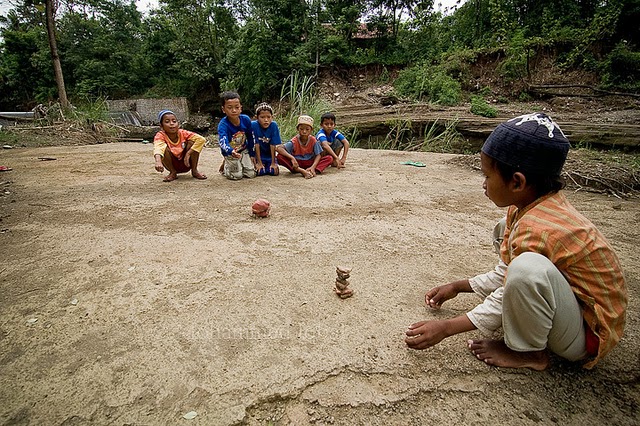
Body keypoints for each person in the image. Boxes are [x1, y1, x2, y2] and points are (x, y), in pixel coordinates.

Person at [405, 113, 627, 371]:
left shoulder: (537, 228)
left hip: (587, 335)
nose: (484, 185)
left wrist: (447, 327)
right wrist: (459, 286)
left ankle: (530, 355)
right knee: (509, 241)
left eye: (487, 176)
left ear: (517, 181)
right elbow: (507, 274)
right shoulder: (527, 208)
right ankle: (532, 330)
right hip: (571, 309)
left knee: (527, 269)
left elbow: (515, 282)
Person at [153, 109, 207, 182]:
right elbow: (158, 148)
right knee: (164, 148)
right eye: (167, 122)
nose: (171, 123)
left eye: (174, 121)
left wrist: (188, 154)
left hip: (187, 163)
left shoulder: (183, 133)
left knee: (192, 142)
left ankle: (194, 171)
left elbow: (201, 139)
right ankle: (173, 172)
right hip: (172, 163)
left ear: (178, 124)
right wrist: (158, 161)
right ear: (161, 126)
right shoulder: (160, 135)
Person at [217, 91, 256, 180]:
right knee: (237, 176)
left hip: (243, 150)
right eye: (230, 108)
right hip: (231, 152)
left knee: (251, 174)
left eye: (237, 107)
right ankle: (226, 166)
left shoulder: (246, 119)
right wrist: (230, 151)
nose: (234, 110)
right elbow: (223, 141)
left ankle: (240, 163)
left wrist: (252, 153)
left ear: (241, 108)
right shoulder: (223, 125)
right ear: (223, 109)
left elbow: (251, 136)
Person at [251, 102, 281, 176]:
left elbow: (273, 144)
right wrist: (259, 163)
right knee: (260, 172)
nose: (266, 120)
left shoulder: (273, 125)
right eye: (262, 117)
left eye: (268, 117)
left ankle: (269, 163)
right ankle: (261, 163)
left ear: (272, 117)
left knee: (274, 172)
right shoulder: (254, 125)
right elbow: (256, 144)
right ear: (256, 117)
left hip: (269, 155)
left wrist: (273, 163)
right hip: (258, 155)